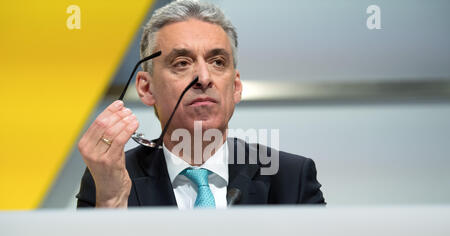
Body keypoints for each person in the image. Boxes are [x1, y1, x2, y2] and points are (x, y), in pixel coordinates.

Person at [76, 0, 325, 208]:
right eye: (182, 63)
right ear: (146, 88)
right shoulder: (110, 178)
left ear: (236, 86)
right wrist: (112, 198)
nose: (204, 78)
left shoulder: (291, 178)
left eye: (217, 62)